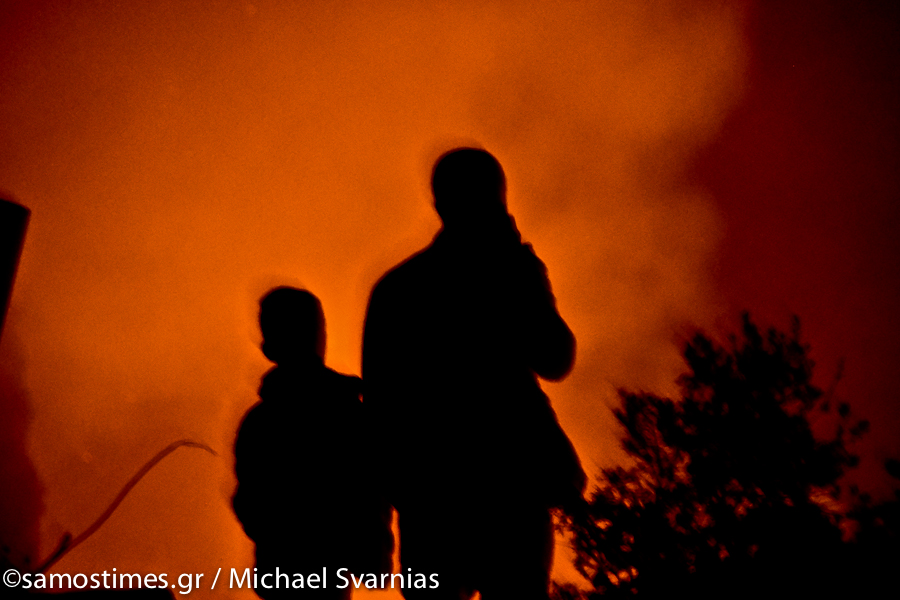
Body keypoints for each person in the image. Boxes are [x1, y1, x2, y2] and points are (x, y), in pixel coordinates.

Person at [362, 148, 585, 599]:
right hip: (507, 489)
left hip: (433, 499)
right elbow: (556, 357)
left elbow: (380, 416)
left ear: (438, 204)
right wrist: (517, 272)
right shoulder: (509, 270)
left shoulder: (397, 289)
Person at [233, 287, 392, 599]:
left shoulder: (260, 422)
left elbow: (250, 503)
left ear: (269, 345)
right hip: (329, 574)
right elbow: (369, 489)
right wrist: (374, 559)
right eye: (317, 327)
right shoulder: (348, 413)